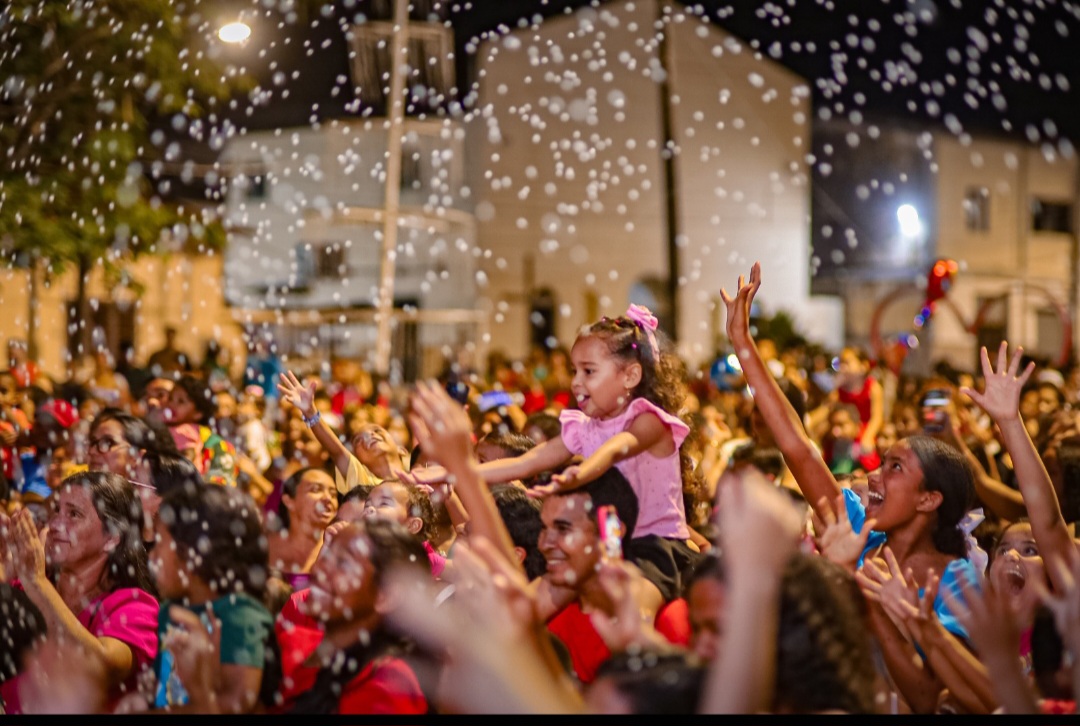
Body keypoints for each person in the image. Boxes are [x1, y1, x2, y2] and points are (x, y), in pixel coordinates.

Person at [719, 263, 979, 714]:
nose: (874, 475)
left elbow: (926, 697)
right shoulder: (857, 528)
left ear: (929, 498)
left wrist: (870, 597)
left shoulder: (958, 581)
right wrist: (743, 344)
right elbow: (798, 448)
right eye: (881, 463)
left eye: (895, 468)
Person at [406, 304, 701, 607]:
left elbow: (617, 448)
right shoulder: (586, 428)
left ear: (630, 376)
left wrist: (581, 474)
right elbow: (526, 462)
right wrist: (453, 471)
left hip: (653, 547)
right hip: (598, 543)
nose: (575, 382)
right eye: (575, 371)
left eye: (589, 371)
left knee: (632, 610)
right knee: (528, 608)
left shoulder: (649, 420)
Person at [0, 471, 159, 713]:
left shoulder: (135, 607)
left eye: (74, 514)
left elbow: (97, 668)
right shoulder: (27, 589)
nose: (54, 525)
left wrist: (36, 581)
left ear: (112, 537)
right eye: (56, 511)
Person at [272, 519, 429, 714]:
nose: (319, 568)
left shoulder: (387, 687)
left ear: (386, 596)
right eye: (327, 554)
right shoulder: (291, 644)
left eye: (343, 563)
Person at [145, 483, 276, 713]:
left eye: (159, 543)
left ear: (192, 555)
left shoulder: (239, 615)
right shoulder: (171, 612)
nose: (152, 556)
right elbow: (162, 691)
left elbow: (237, 703)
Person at [267, 467, 338, 592]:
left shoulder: (338, 553)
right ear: (289, 501)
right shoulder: (265, 548)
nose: (328, 498)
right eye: (316, 489)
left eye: (333, 494)